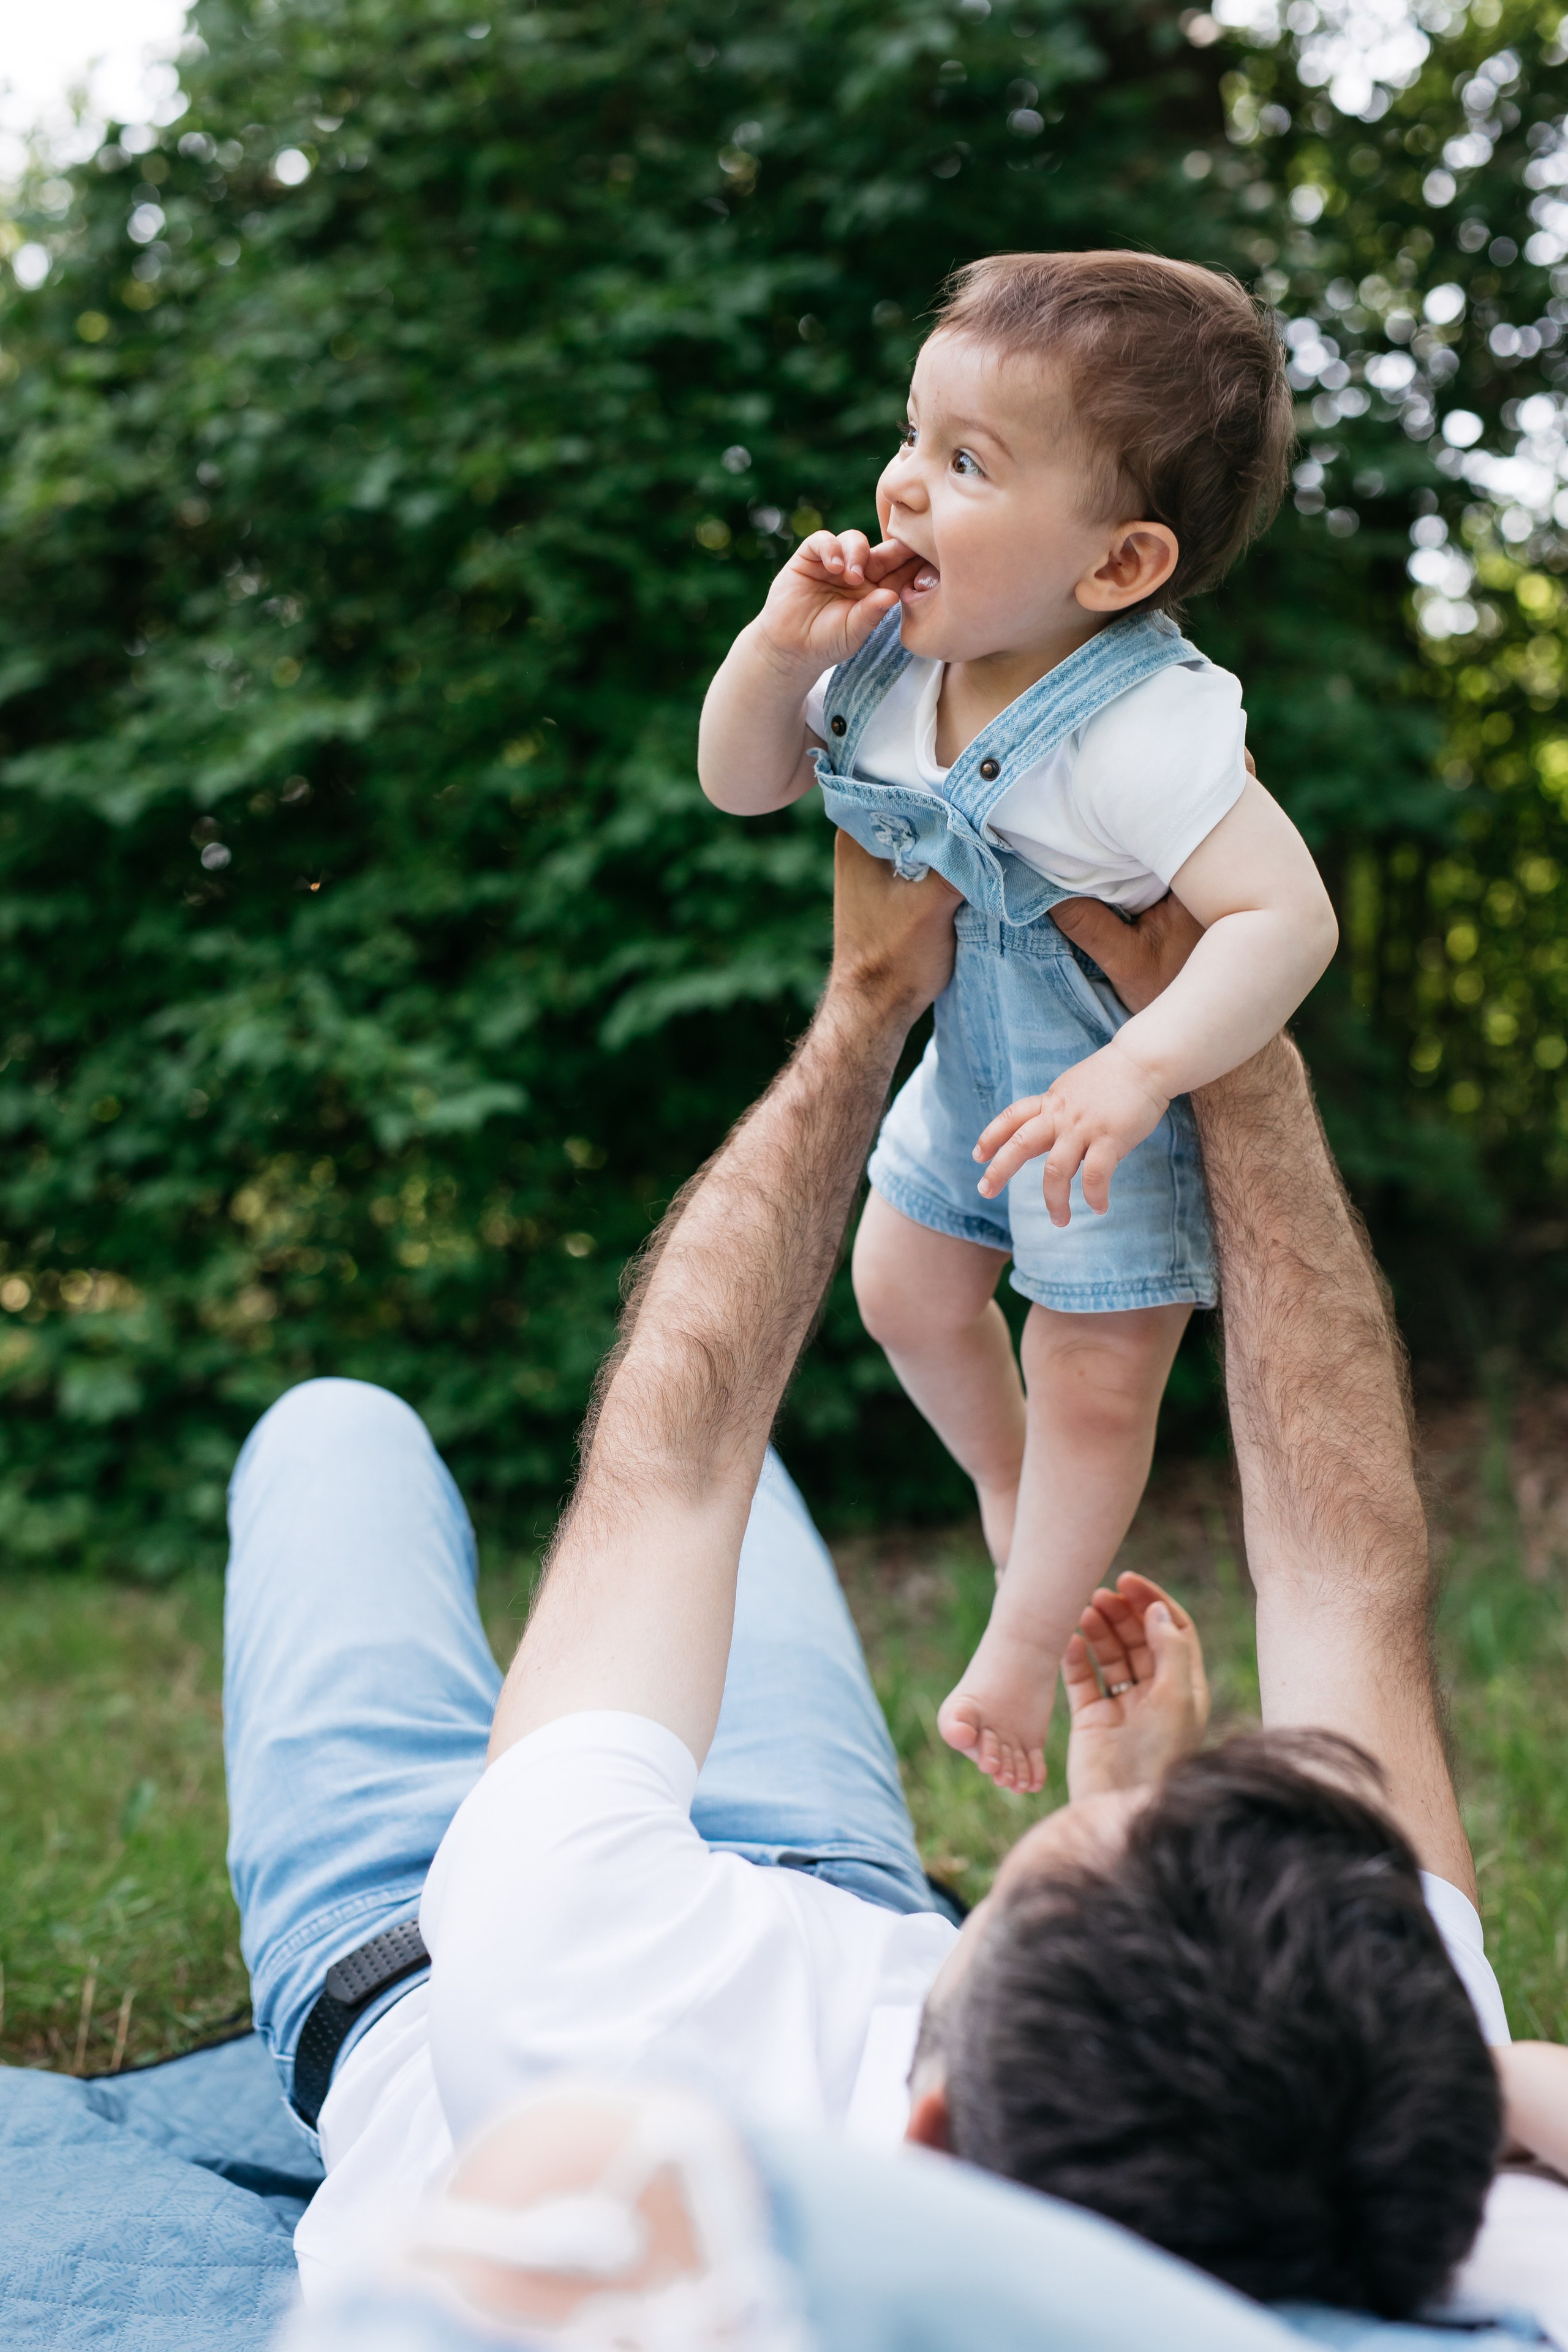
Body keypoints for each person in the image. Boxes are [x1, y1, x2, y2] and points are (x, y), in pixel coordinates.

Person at [225, 837, 1503, 2328]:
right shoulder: (1382, 2062)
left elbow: (672, 1466)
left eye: (1081, 1862)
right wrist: (1231, 1047)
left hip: (409, 1956)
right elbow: (1345, 1571)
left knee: (341, 1432)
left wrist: (867, 1003)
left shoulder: (577, 2003)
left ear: (930, 2133)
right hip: (820, 1861)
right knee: (742, 1498)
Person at [698, 251, 1338, 1793]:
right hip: (968, 1056)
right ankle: (1007, 1488)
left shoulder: (1140, 728)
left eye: (966, 463)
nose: (903, 489)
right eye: (913, 437)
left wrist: (1139, 1069)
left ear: (1114, 568)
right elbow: (742, 780)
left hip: (1103, 1085)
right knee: (902, 1286)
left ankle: (1012, 1659)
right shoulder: (884, 654)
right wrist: (777, 652)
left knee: (1094, 1373)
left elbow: (1286, 920)